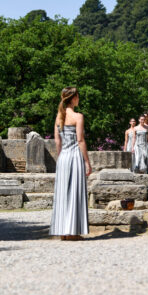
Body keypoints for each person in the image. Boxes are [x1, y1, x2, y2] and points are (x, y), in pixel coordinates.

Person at [50, 87, 91, 240]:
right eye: (77, 96)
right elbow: (80, 140)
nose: (78, 99)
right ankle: (72, 232)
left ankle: (63, 232)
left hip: (63, 158)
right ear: (73, 98)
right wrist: (87, 162)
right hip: (74, 157)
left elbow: (57, 141)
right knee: (74, 193)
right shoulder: (78, 116)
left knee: (62, 194)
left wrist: (61, 158)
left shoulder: (59, 117)